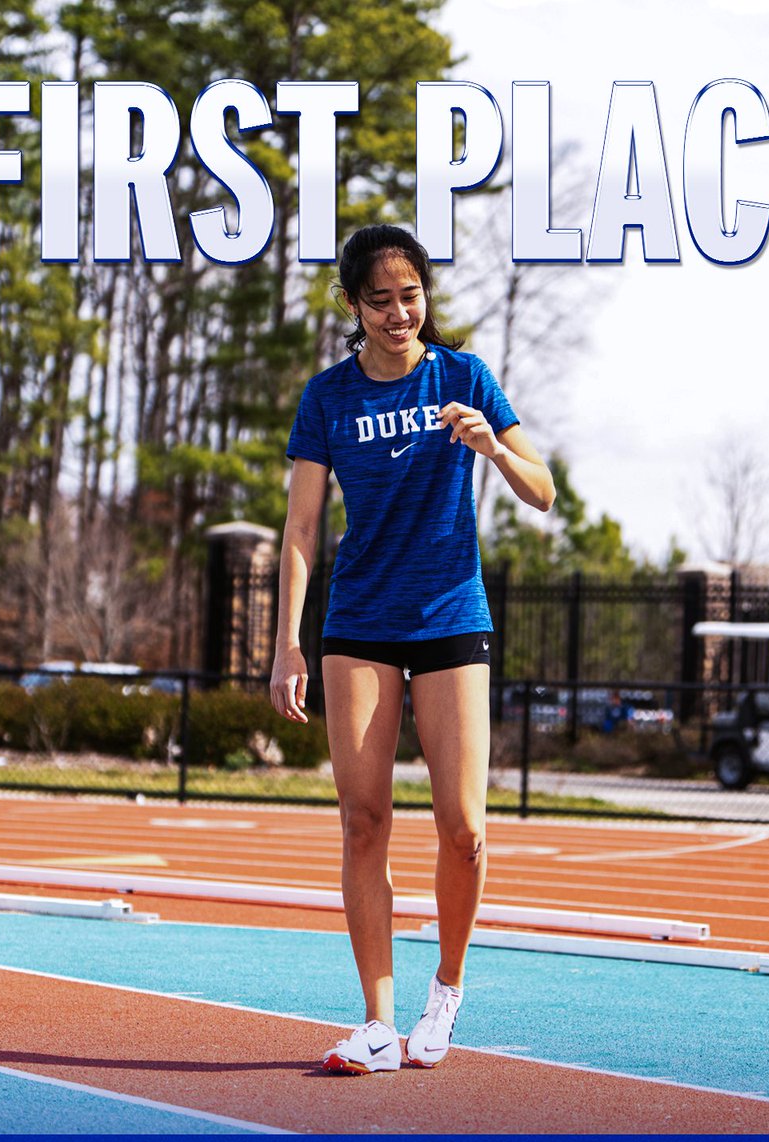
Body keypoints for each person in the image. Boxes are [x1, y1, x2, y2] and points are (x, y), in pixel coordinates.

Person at [269, 224, 555, 1074]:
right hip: (357, 621)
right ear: (354, 307)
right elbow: (302, 527)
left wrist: (491, 446)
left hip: (448, 619)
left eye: (412, 296)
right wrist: (287, 646)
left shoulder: (464, 377)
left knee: (463, 827)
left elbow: (542, 493)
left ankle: (446, 993)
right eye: (381, 300)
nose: (400, 314)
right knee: (364, 820)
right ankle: (377, 1022)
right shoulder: (327, 398)